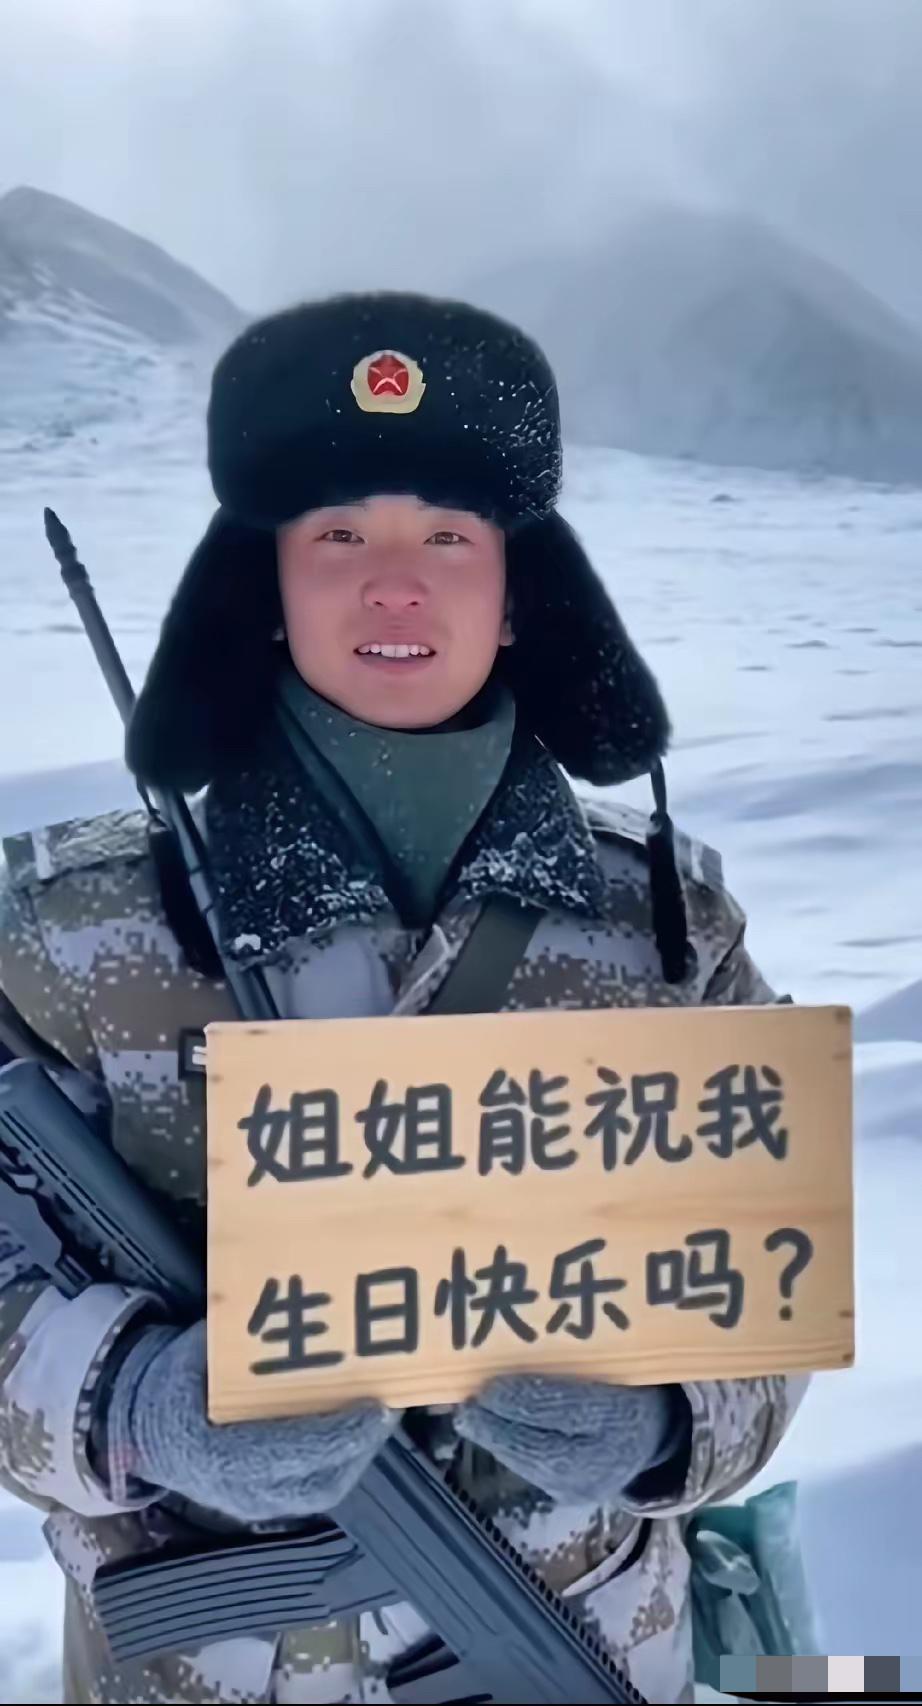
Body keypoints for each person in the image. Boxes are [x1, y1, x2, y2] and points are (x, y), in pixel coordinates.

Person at [0, 292, 807, 1705]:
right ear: (265, 582)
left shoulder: (666, 929)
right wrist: (134, 1406)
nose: (395, 586)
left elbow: (772, 1274)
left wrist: (670, 1420)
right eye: (337, 535)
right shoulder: (64, 936)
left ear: (518, 589)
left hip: (587, 1653)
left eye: (448, 536)